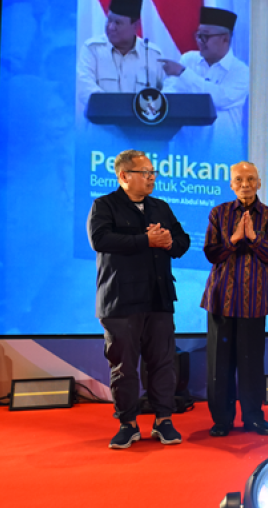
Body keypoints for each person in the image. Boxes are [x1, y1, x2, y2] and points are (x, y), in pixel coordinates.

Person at [87, 149, 190, 449]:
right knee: (124, 365)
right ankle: (127, 423)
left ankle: (163, 420)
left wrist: (170, 241)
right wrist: (146, 240)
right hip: (120, 300)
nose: (151, 177)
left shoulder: (160, 207)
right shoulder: (104, 205)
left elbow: (182, 241)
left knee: (163, 362)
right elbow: (100, 239)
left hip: (158, 298)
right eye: (144, 172)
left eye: (152, 172)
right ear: (123, 176)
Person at [200, 161, 268, 437]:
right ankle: (222, 420)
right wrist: (234, 239)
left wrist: (254, 238)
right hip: (220, 299)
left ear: (259, 182)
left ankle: (253, 418)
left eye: (251, 179)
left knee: (251, 364)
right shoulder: (219, 213)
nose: (245, 184)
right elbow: (212, 254)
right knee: (219, 365)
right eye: (239, 179)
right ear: (231, 184)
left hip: (254, 301)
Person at [161, 7, 250, 144]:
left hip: (222, 153)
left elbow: (218, 98)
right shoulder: (188, 60)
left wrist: (183, 73)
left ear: (225, 39)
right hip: (184, 153)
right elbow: (171, 94)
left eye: (205, 36)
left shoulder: (241, 71)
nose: (199, 41)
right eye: (198, 35)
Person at [77, 0, 166, 106]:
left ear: (135, 26)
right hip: (103, 123)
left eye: (118, 23)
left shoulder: (153, 55)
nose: (111, 27)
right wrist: (117, 109)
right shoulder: (92, 49)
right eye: (109, 20)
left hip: (139, 124)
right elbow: (85, 89)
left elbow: (168, 93)